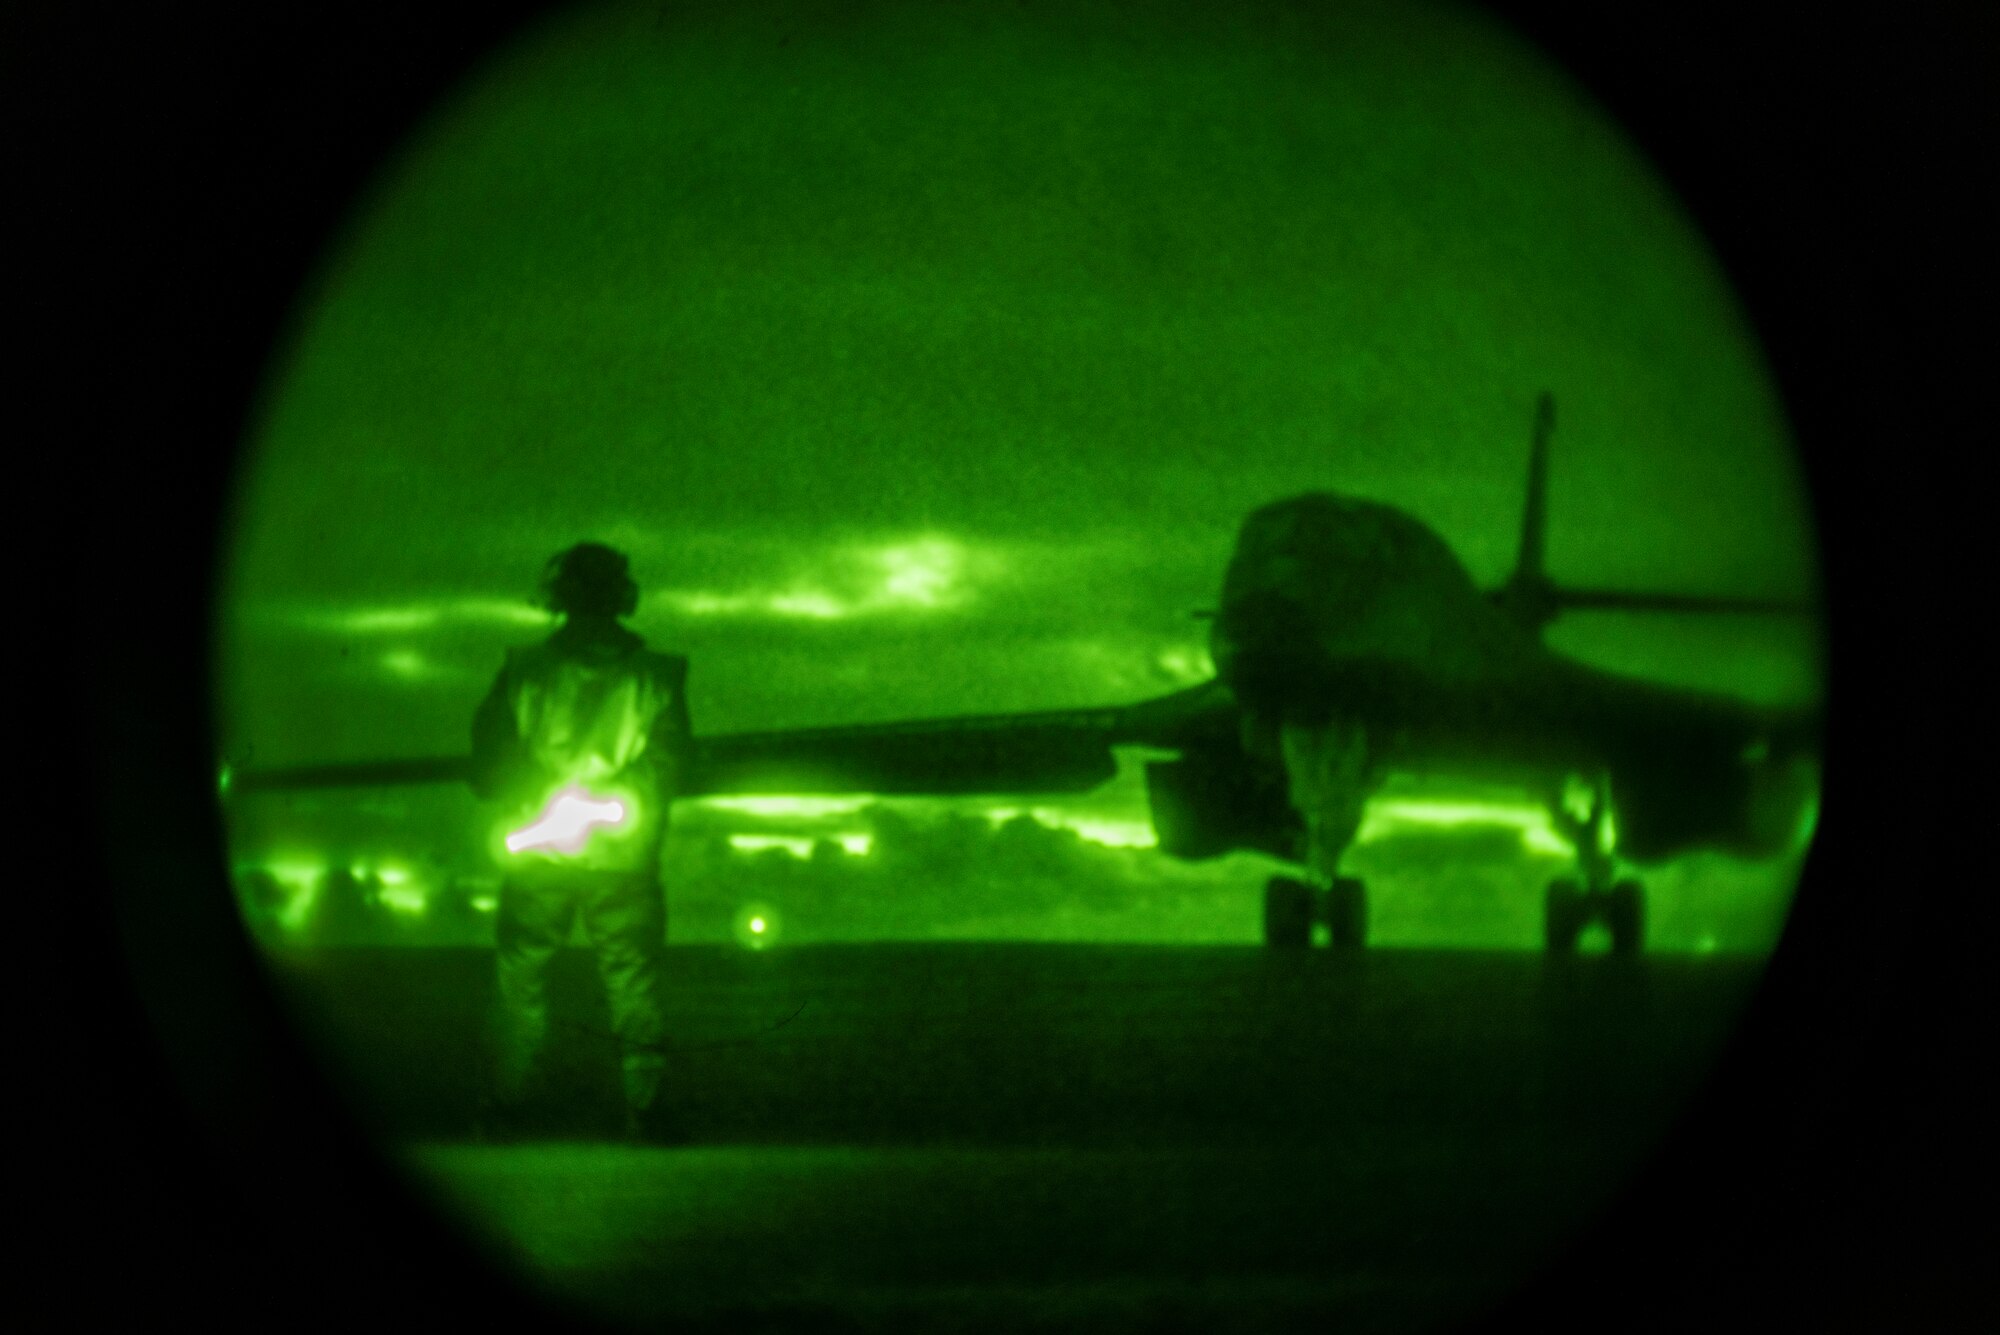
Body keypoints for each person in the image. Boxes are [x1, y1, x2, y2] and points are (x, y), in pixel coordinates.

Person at [469, 542, 693, 1143]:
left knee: (521, 981)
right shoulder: (658, 675)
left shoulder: (522, 671)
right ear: (622, 594)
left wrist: (542, 791)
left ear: (558, 595)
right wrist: (615, 795)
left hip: (537, 852)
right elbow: (671, 763)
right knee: (633, 980)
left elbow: (488, 767)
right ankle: (646, 1115)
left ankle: (508, 1110)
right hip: (625, 856)